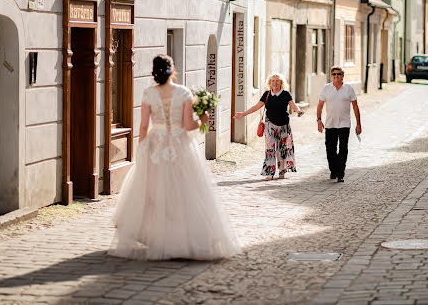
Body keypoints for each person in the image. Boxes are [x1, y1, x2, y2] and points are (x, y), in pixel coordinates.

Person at [109, 54, 240, 261]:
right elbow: (188, 126)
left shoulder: (148, 93)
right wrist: (202, 119)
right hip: (179, 146)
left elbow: (143, 126)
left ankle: (159, 238)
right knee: (184, 191)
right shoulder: (183, 93)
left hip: (155, 145)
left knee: (154, 191)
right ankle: (181, 240)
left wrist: (142, 148)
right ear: (172, 70)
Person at [234, 73, 303, 180]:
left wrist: (298, 110)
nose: (275, 83)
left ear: (281, 83)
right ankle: (270, 172)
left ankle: (282, 171)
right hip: (270, 125)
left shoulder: (286, 94)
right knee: (270, 149)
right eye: (273, 81)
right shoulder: (267, 94)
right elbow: (256, 107)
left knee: (282, 149)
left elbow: (293, 104)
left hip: (284, 126)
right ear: (270, 83)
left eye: (277, 81)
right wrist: (243, 114)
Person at [316, 66, 361, 183]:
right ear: (331, 76)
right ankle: (333, 170)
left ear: (343, 76)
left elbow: (355, 106)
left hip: (344, 123)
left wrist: (358, 124)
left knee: (343, 149)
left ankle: (340, 173)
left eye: (339, 74)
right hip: (330, 124)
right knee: (330, 150)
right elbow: (320, 105)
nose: (336, 76)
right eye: (334, 74)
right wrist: (319, 120)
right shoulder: (326, 88)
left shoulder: (349, 88)